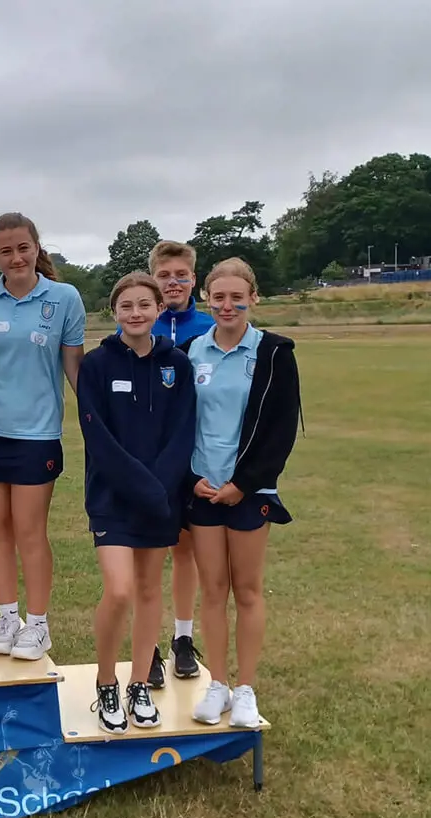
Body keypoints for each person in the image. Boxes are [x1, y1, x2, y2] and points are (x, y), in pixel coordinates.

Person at [181, 257, 300, 729]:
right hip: (203, 489)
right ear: (206, 299)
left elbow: (280, 429)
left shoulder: (273, 352)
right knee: (212, 591)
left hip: (250, 490)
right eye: (218, 297)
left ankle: (246, 690)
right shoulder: (192, 351)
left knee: (246, 590)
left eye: (237, 297)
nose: (227, 305)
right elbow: (180, 424)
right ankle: (218, 685)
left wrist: (242, 484)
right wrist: (191, 479)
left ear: (254, 298)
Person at [77, 273, 196, 735]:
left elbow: (182, 432)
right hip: (112, 497)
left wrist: (159, 488)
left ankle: (139, 683)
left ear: (158, 310)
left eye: (144, 305)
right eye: (126, 306)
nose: (135, 313)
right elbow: (98, 437)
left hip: (161, 499)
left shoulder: (177, 365)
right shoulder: (96, 365)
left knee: (149, 591)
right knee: (121, 589)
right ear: (114, 311)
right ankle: (105, 682)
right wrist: (141, 487)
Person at [0, 213, 85, 661]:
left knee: (30, 531)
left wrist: (98, 417)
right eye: (5, 251)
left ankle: (37, 624)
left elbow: (73, 366)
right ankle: (8, 617)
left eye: (23, 248)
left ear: (37, 247)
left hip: (36, 433)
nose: (15, 258)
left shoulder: (65, 297)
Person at [143, 240, 215, 688]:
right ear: (154, 278)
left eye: (181, 275)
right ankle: (145, 645)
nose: (173, 282)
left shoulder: (209, 327)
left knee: (184, 551)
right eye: (165, 275)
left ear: (193, 278)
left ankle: (182, 640)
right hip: (148, 458)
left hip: (193, 457)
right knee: (146, 555)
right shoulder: (139, 321)